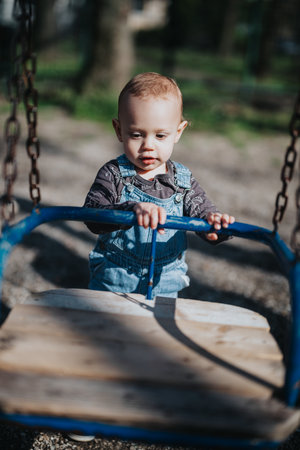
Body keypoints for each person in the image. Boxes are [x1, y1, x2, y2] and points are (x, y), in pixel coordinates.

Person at [84, 72, 235, 298]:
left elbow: (203, 212)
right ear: (118, 130)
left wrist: (215, 226)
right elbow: (92, 215)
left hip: (166, 282)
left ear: (178, 132)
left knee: (155, 333)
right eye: (136, 134)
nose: (148, 146)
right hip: (113, 278)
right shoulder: (113, 174)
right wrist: (131, 209)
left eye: (160, 136)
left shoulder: (182, 181)